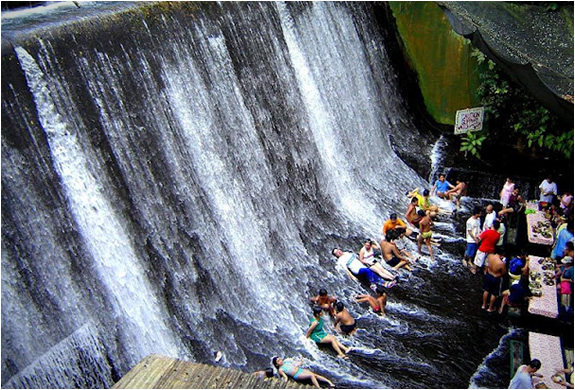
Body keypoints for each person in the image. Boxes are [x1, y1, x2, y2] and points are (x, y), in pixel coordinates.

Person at [332, 248, 397, 289]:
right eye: (336, 253)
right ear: (336, 256)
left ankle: (378, 282)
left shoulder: (347, 253)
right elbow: (346, 270)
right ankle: (383, 283)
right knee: (367, 271)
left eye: (338, 250)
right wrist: (353, 277)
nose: (338, 252)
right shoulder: (341, 260)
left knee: (373, 270)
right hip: (357, 270)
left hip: (362, 266)